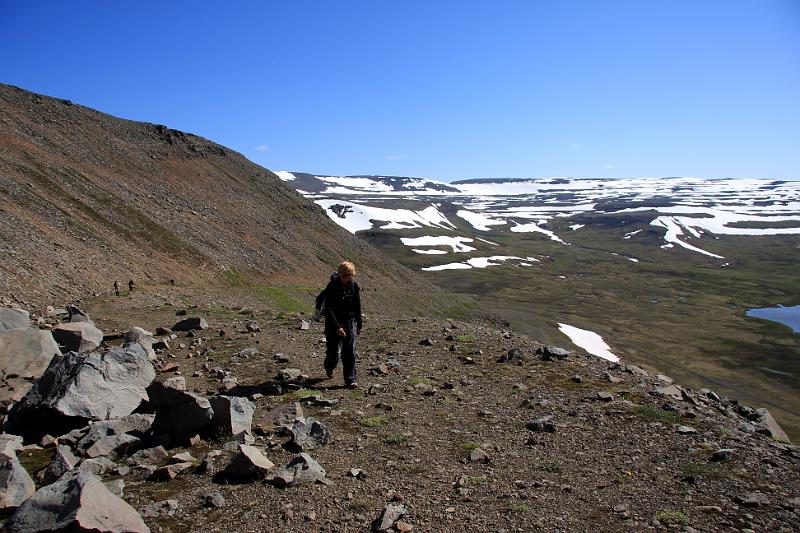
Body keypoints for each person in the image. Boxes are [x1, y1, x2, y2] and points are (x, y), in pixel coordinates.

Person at [321, 261, 362, 388]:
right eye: (345, 276)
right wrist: (337, 327)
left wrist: (359, 324)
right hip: (333, 323)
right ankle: (329, 367)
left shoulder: (353, 285)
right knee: (333, 352)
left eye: (350, 275)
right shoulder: (332, 286)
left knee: (349, 351)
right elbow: (329, 308)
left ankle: (351, 380)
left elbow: (357, 306)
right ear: (339, 274)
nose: (348, 278)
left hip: (349, 321)